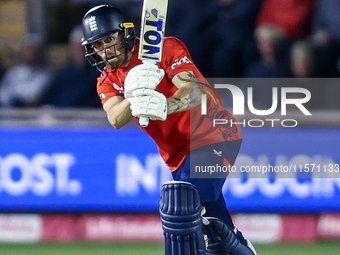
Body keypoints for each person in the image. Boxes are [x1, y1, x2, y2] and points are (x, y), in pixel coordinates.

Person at [81, 5, 257, 255]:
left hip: (214, 133)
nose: (105, 51)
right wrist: (135, 96)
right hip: (178, 156)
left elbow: (193, 92)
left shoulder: (166, 48)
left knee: (181, 206)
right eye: (97, 46)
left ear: (125, 33)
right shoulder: (107, 80)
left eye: (109, 40)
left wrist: (165, 104)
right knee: (214, 229)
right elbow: (115, 118)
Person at [42, 26, 101, 108]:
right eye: (77, 47)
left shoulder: (99, 74)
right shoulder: (63, 74)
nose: (80, 51)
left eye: (84, 48)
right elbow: (49, 98)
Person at [0, 33, 51, 108]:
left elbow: (33, 95)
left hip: (30, 113)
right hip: (8, 112)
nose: (27, 53)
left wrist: (14, 93)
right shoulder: (14, 71)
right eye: (25, 50)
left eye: (31, 50)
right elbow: (3, 93)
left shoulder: (45, 74)